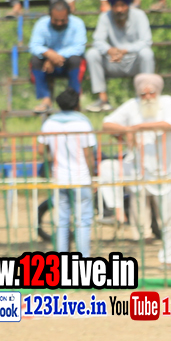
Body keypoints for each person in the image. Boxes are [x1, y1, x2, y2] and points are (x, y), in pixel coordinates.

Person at [103, 73, 171, 265]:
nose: (147, 97)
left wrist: (137, 127)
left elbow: (168, 124)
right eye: (143, 94)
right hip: (138, 168)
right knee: (106, 168)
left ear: (158, 92)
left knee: (168, 217)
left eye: (151, 93)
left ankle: (169, 257)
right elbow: (107, 124)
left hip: (164, 169)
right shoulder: (132, 105)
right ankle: (116, 211)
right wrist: (126, 131)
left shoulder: (167, 102)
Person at [39, 89, 97, 256]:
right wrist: (92, 177)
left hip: (59, 178)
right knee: (83, 221)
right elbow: (88, 155)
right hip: (81, 178)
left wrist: (54, 158)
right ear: (77, 104)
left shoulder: (49, 123)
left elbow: (40, 150)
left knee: (62, 222)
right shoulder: (83, 123)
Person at [85, 0, 154, 112]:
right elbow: (98, 40)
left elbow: (146, 41)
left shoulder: (139, 15)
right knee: (92, 53)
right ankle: (102, 99)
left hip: (134, 62)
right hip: (113, 62)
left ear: (128, 6)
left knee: (147, 53)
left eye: (122, 5)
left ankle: (146, 97)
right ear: (112, 7)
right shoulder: (105, 17)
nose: (119, 10)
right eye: (116, 6)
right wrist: (109, 50)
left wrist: (125, 51)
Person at [29, 1, 87, 113]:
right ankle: (46, 100)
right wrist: (48, 54)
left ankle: (74, 100)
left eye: (63, 20)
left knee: (76, 60)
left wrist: (54, 57)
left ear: (68, 16)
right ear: (50, 16)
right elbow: (34, 46)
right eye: (56, 20)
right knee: (35, 60)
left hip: (68, 64)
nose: (59, 23)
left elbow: (79, 48)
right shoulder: (41, 24)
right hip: (48, 67)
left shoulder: (77, 24)